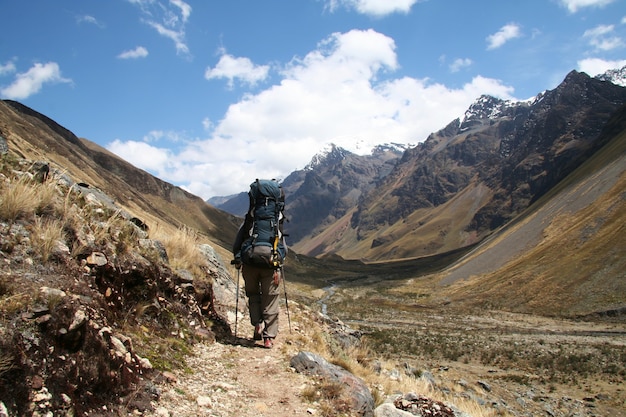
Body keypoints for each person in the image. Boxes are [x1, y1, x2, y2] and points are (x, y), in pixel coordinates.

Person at [232, 180, 286, 348]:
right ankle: (268, 338)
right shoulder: (276, 220)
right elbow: (282, 245)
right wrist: (280, 260)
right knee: (270, 300)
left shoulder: (251, 218)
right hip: (270, 264)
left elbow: (238, 241)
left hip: (249, 263)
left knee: (253, 295)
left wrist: (238, 258)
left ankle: (257, 325)